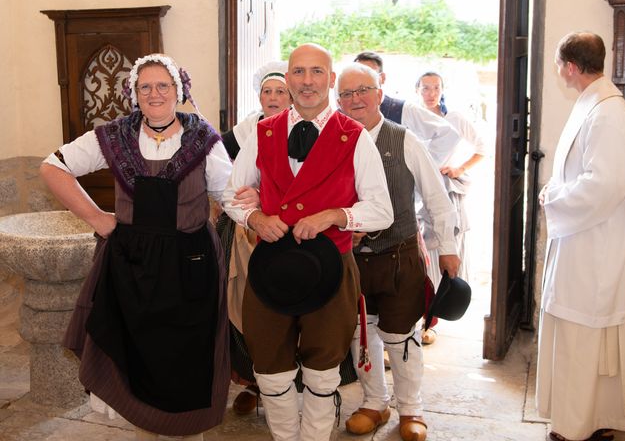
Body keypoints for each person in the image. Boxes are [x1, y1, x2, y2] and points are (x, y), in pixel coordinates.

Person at [40, 54, 232, 441]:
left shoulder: (203, 139)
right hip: (131, 266)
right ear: (134, 93)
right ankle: (144, 425)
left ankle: (182, 426)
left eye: (163, 85)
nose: (154, 93)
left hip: (189, 268)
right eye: (145, 86)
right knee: (133, 350)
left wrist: (261, 216)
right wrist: (97, 218)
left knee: (184, 358)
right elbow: (52, 166)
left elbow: (228, 196)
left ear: (179, 91)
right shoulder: (115, 135)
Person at [222, 43, 393, 441]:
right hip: (270, 269)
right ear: (288, 79)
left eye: (317, 72)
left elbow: (382, 210)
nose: (307, 81)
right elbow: (232, 193)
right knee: (269, 366)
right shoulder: (262, 131)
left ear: (331, 79)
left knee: (323, 368)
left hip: (331, 267)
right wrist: (257, 217)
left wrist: (335, 215)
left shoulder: (355, 136)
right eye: (298, 72)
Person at [336, 63, 460, 441]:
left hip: (398, 255)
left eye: (363, 90)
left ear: (379, 93)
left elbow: (437, 198)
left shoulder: (403, 139)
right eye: (346, 94)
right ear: (338, 101)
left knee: (401, 336)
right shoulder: (333, 142)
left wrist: (449, 250)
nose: (355, 99)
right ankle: (375, 402)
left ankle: (411, 409)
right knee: (363, 336)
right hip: (353, 262)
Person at [536, 32, 625, 441]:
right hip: (581, 236)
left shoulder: (607, 112)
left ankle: (577, 427)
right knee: (581, 337)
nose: (558, 71)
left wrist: (555, 199)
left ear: (571, 67)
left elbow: (606, 183)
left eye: (559, 64)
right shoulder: (594, 102)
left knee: (582, 338)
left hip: (593, 244)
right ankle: (590, 419)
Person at [221, 61, 291, 416]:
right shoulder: (247, 129)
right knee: (244, 309)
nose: (274, 97)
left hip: (290, 230)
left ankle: (288, 385)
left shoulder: (302, 129)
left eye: (280, 91)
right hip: (246, 230)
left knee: (286, 310)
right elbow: (219, 161)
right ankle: (252, 382)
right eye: (268, 92)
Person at [415, 71, 488, 344]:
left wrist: (459, 168)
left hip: (445, 192)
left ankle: (435, 318)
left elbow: (482, 147)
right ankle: (422, 316)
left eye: (436, 87)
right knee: (422, 260)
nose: (431, 93)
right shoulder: (413, 120)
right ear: (418, 90)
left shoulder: (455, 119)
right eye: (425, 88)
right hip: (417, 196)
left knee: (443, 254)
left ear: (442, 90)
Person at [353, 51, 460, 166]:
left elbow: (448, 134)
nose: (362, 82)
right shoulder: (346, 110)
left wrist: (423, 169)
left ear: (382, 78)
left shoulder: (404, 110)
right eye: (357, 75)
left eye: (369, 75)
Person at [222, 60, 291, 159]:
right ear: (260, 98)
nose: (272, 97)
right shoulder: (248, 127)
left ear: (291, 99)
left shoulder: (300, 127)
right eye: (267, 91)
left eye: (280, 92)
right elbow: (216, 150)